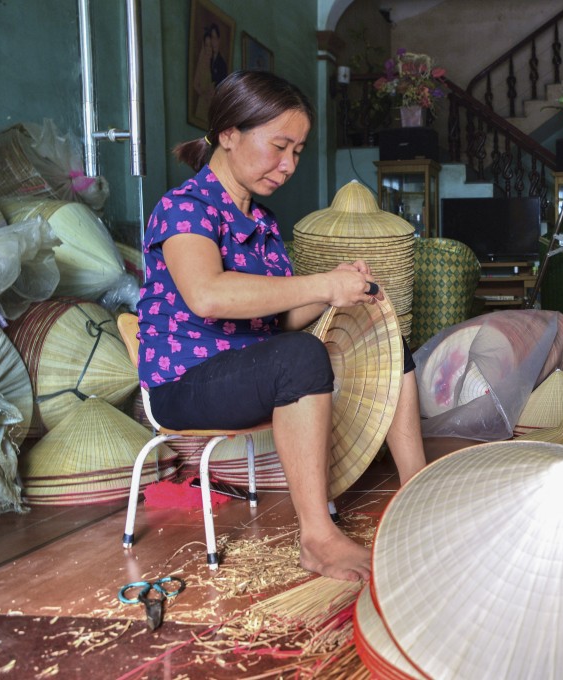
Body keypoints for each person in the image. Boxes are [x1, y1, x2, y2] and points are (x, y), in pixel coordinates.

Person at [136, 70, 424, 582]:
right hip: (185, 384)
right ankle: (316, 538)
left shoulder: (263, 223)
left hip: (248, 372)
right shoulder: (183, 209)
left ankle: (418, 487)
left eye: (298, 151)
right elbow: (209, 295)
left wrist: (336, 284)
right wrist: (320, 285)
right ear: (229, 134)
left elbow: (282, 316)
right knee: (299, 354)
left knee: (384, 333)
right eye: (279, 147)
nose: (288, 165)